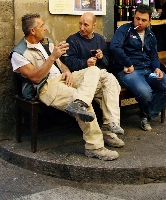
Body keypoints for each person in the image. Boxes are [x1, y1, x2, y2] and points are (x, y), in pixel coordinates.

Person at [10, 13, 122, 161]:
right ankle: (94, 147)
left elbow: (61, 64)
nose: (46, 27)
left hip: (64, 79)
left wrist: (67, 71)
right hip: (46, 87)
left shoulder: (46, 42)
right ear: (32, 30)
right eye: (42, 25)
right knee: (82, 102)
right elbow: (36, 78)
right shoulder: (18, 54)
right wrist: (52, 57)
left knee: (102, 74)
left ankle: (109, 125)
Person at [110, 4, 166, 131]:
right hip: (129, 72)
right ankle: (147, 115)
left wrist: (157, 68)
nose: (139, 22)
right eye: (137, 18)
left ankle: (146, 114)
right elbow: (114, 47)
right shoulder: (124, 30)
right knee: (145, 92)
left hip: (148, 72)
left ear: (149, 21)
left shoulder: (150, 35)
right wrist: (128, 63)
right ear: (134, 17)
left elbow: (154, 56)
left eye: (143, 20)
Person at [63, 12, 124, 148]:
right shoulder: (72, 40)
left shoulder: (99, 40)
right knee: (108, 81)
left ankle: (110, 126)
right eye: (80, 23)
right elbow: (69, 62)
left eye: (86, 25)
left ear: (94, 25)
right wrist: (86, 63)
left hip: (98, 80)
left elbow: (107, 63)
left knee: (110, 83)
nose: (82, 27)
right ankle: (110, 129)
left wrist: (101, 58)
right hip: (82, 81)